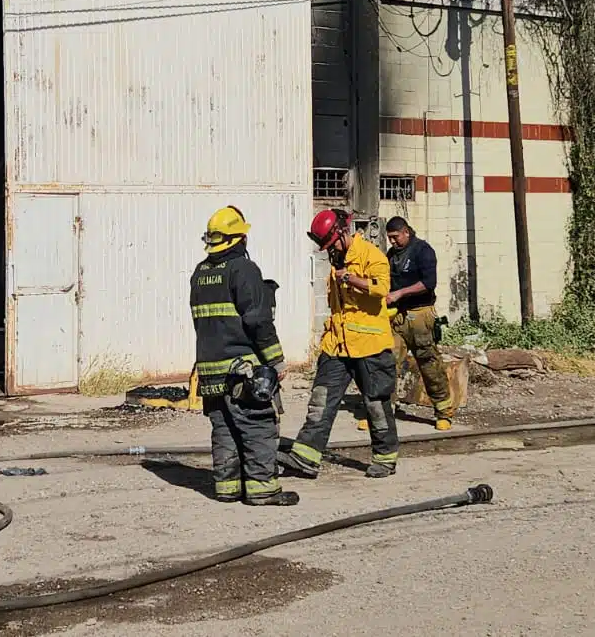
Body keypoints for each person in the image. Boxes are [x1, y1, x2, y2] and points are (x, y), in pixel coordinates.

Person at [279, 208, 401, 480]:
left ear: (343, 233)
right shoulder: (337, 263)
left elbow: (382, 289)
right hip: (338, 346)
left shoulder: (372, 256)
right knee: (321, 400)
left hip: (370, 347)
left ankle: (385, 457)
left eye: (330, 244)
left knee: (376, 404)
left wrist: (351, 278)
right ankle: (305, 457)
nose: (328, 251)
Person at [190, 206, 298, 507]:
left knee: (224, 427)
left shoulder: (200, 273)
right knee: (257, 424)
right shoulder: (243, 269)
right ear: (238, 240)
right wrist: (275, 360)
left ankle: (227, 488)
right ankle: (263, 489)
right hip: (241, 370)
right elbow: (257, 321)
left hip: (210, 371)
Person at [383, 216, 456, 430]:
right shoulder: (392, 255)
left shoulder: (422, 250)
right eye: (389, 238)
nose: (392, 242)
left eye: (395, 237)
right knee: (387, 363)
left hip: (420, 315)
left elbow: (428, 283)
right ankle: (384, 412)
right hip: (396, 317)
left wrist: (400, 293)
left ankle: (444, 412)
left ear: (406, 232)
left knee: (429, 364)